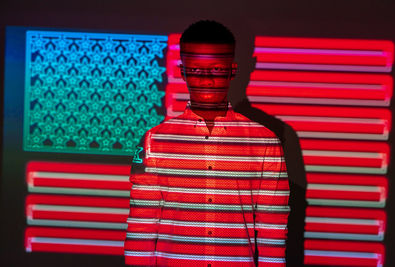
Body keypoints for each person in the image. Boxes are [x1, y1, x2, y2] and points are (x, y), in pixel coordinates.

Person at [124, 20, 290, 266]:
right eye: (196, 69)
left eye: (216, 69)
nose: (205, 80)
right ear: (182, 71)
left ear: (232, 70)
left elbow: (272, 229)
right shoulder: (154, 141)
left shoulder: (265, 142)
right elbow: (142, 225)